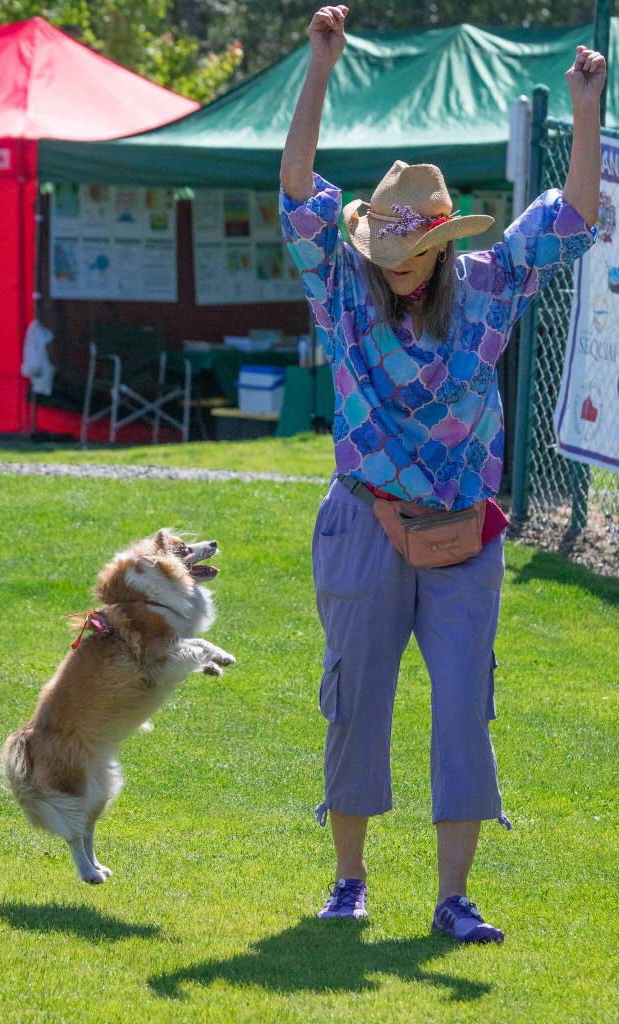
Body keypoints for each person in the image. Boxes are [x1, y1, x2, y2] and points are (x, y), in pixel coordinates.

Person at [280, 4, 604, 942]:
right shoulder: (341, 284)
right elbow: (298, 182)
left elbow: (577, 217)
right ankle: (350, 885)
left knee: (465, 701)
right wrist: (319, 64)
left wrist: (586, 110)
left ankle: (453, 899)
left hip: (463, 534)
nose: (403, 271)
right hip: (363, 519)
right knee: (355, 695)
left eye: (417, 254)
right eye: (391, 253)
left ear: (445, 245)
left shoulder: (496, 281)